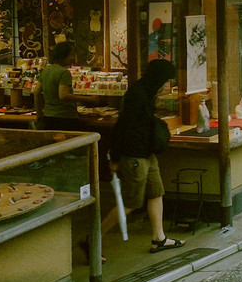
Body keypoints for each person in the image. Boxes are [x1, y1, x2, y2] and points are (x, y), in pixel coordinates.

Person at [106, 59, 184, 253]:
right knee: (131, 202)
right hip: (134, 156)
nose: (167, 84)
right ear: (158, 77)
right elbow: (122, 127)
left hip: (147, 153)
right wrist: (115, 158)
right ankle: (93, 239)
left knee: (156, 192)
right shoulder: (137, 94)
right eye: (166, 80)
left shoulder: (148, 92)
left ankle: (159, 238)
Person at [34, 42, 98, 130]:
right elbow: (63, 95)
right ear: (62, 55)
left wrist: (39, 113)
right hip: (65, 117)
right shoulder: (64, 72)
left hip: (49, 117)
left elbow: (36, 92)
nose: (73, 58)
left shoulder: (46, 70)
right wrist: (89, 99)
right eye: (71, 55)